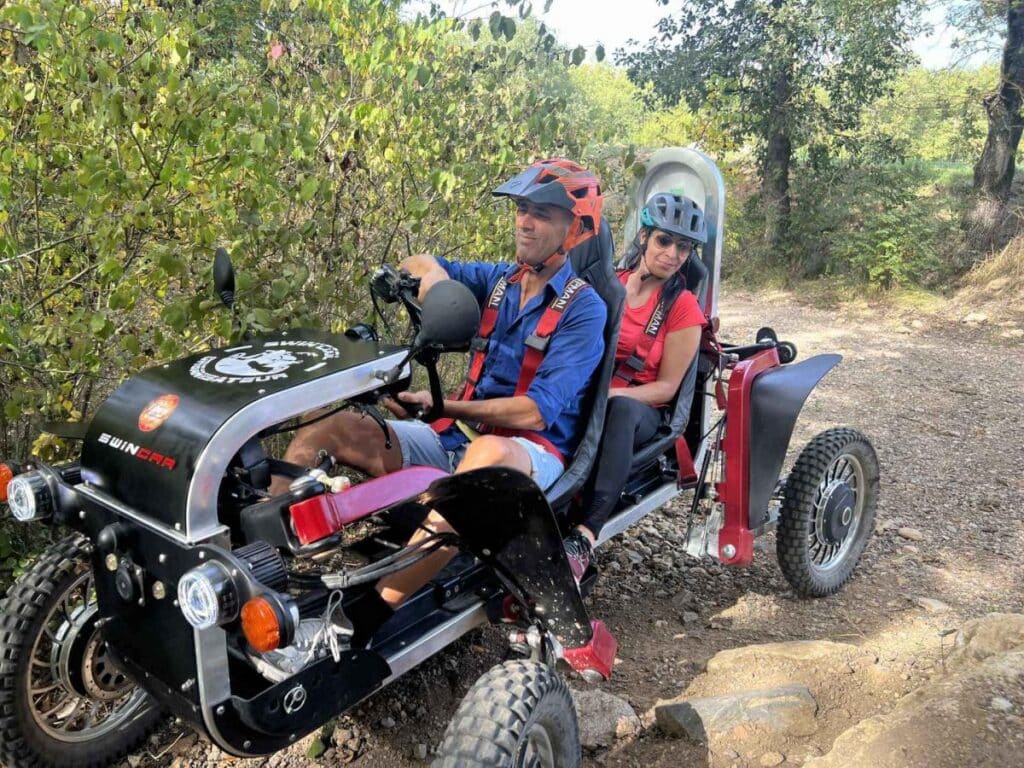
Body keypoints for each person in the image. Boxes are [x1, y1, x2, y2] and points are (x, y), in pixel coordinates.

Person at [269, 158, 608, 634]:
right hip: (457, 438)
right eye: (523, 209)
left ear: (575, 230)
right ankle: (271, 566)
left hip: (531, 455)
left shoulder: (585, 308)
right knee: (329, 424)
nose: (525, 222)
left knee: (486, 453)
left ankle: (367, 614)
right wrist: (435, 282)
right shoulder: (497, 281)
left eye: (543, 214)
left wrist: (443, 407)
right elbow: (420, 262)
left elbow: (535, 412)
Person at [562, 192, 708, 582]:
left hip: (642, 407)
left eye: (684, 247)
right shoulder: (613, 284)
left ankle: (585, 535)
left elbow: (667, 388)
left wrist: (610, 395)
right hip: (595, 393)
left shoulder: (683, 308)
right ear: (643, 237)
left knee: (618, 410)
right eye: (665, 241)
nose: (674, 254)